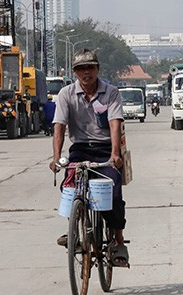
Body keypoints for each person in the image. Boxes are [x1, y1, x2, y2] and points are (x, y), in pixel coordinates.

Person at [49, 49, 130, 267]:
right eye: (81, 69)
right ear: (75, 72)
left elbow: (115, 123)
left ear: (97, 69)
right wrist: (57, 158)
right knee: (70, 185)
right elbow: (59, 126)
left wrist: (115, 154)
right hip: (80, 149)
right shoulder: (66, 94)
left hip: (105, 150)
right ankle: (73, 229)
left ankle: (118, 240)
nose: (86, 73)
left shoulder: (111, 92)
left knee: (112, 192)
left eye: (90, 67)